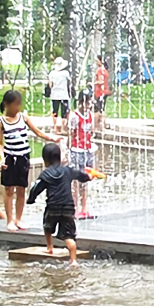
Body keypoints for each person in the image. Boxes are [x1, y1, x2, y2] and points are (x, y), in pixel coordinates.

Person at [0, 90, 60, 232]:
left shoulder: (24, 118)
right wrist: (2, 157)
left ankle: (18, 219)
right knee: (8, 189)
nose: (17, 107)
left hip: (23, 156)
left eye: (19, 104)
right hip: (9, 157)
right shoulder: (0, 121)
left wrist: (51, 138)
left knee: (21, 188)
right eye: (15, 104)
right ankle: (9, 220)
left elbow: (37, 132)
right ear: (7, 105)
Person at [27, 143, 93, 265]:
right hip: (68, 207)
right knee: (69, 235)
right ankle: (73, 260)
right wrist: (88, 177)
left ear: (45, 159)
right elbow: (80, 175)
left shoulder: (45, 174)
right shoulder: (68, 170)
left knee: (47, 226)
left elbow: (36, 188)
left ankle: (49, 247)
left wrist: (31, 199)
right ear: (60, 156)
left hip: (52, 206)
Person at [68, 91, 96, 219]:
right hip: (76, 150)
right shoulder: (74, 116)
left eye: (90, 102)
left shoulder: (90, 115)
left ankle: (84, 208)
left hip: (87, 151)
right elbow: (70, 134)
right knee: (75, 181)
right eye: (86, 102)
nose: (89, 105)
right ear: (80, 102)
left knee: (86, 180)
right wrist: (68, 150)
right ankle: (75, 208)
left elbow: (91, 132)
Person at [48, 57, 72, 135]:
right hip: (64, 95)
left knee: (55, 111)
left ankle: (55, 128)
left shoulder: (52, 73)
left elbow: (50, 85)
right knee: (64, 112)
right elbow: (69, 82)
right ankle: (62, 128)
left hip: (54, 95)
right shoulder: (65, 73)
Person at [93, 55, 110, 133]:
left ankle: (96, 126)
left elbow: (101, 81)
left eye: (97, 60)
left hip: (99, 92)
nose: (96, 62)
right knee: (102, 109)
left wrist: (93, 83)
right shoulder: (105, 70)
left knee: (97, 110)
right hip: (105, 91)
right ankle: (103, 124)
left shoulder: (99, 70)